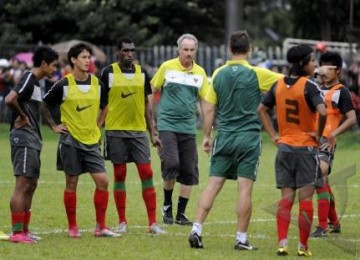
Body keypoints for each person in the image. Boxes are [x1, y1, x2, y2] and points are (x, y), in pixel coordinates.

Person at [188, 30, 283, 250]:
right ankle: (241, 239)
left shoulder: (219, 74)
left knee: (213, 184)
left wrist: (207, 136)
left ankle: (196, 229)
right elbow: (288, 82)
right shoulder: (257, 73)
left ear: (229, 48)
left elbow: (209, 108)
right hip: (248, 138)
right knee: (244, 189)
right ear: (249, 49)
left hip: (225, 137)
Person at [43, 43, 120, 239]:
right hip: (70, 141)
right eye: (84, 57)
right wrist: (53, 126)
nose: (88, 61)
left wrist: (98, 125)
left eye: (89, 57)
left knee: (102, 181)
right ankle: (72, 227)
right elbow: (43, 104)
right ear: (73, 60)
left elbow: (106, 107)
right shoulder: (63, 84)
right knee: (72, 183)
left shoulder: (97, 84)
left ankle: (100, 227)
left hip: (92, 140)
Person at [257, 44, 327, 256]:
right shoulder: (310, 86)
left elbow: (261, 110)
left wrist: (273, 135)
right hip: (305, 149)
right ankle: (303, 247)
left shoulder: (278, 85)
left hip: (285, 149)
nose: (315, 64)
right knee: (305, 200)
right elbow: (323, 111)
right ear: (302, 63)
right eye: (312, 60)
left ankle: (282, 243)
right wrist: (318, 133)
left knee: (286, 199)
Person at [98, 36, 166, 234]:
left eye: (132, 51)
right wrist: (97, 128)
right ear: (117, 51)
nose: (129, 54)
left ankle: (152, 223)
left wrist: (152, 131)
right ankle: (122, 221)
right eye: (126, 50)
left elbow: (146, 105)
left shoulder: (141, 72)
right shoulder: (108, 72)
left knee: (147, 173)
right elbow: (101, 104)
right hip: (115, 131)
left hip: (138, 132)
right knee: (120, 174)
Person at [151, 33, 210, 226]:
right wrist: (152, 121)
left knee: (188, 169)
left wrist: (207, 129)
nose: (189, 53)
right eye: (185, 49)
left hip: (188, 128)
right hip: (167, 124)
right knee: (172, 163)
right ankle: (167, 207)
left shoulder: (200, 73)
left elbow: (204, 101)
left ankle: (181, 214)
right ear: (179, 50)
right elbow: (153, 90)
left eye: (192, 50)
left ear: (196, 50)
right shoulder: (167, 67)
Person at [5, 46, 59, 243]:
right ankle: (17, 233)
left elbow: (42, 108)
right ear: (43, 63)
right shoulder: (28, 78)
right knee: (22, 185)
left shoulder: (37, 83)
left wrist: (51, 126)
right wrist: (22, 116)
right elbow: (10, 99)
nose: (55, 69)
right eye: (53, 65)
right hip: (24, 137)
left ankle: (24, 231)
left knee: (31, 184)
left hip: (33, 138)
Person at [310, 52, 356, 237]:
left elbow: (351, 119)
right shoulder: (313, 87)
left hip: (326, 141)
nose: (323, 71)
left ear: (337, 70)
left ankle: (323, 226)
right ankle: (334, 221)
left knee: (318, 175)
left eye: (328, 67)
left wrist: (334, 134)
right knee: (322, 182)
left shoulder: (341, 91)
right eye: (321, 67)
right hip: (309, 140)